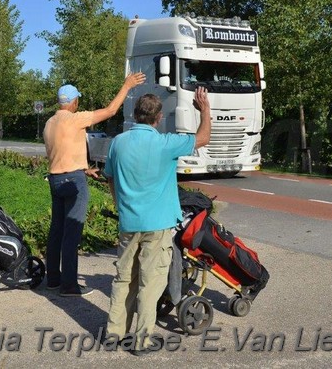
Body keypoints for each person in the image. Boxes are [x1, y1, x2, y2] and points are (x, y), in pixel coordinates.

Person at [103, 87, 211, 354]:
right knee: (150, 284)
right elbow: (204, 138)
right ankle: (141, 340)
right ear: (158, 117)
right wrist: (204, 109)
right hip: (158, 224)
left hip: (129, 222)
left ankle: (114, 334)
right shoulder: (166, 143)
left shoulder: (118, 142)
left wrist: (119, 204)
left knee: (123, 279)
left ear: (136, 115)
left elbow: (109, 177)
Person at [43, 72, 145, 297]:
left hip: (55, 179)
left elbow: (59, 153)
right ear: (74, 102)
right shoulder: (75, 118)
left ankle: (53, 279)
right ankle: (69, 286)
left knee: (56, 231)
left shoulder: (50, 123)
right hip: (73, 182)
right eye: (77, 100)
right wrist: (126, 85)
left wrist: (84, 168)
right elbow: (110, 111)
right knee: (72, 233)